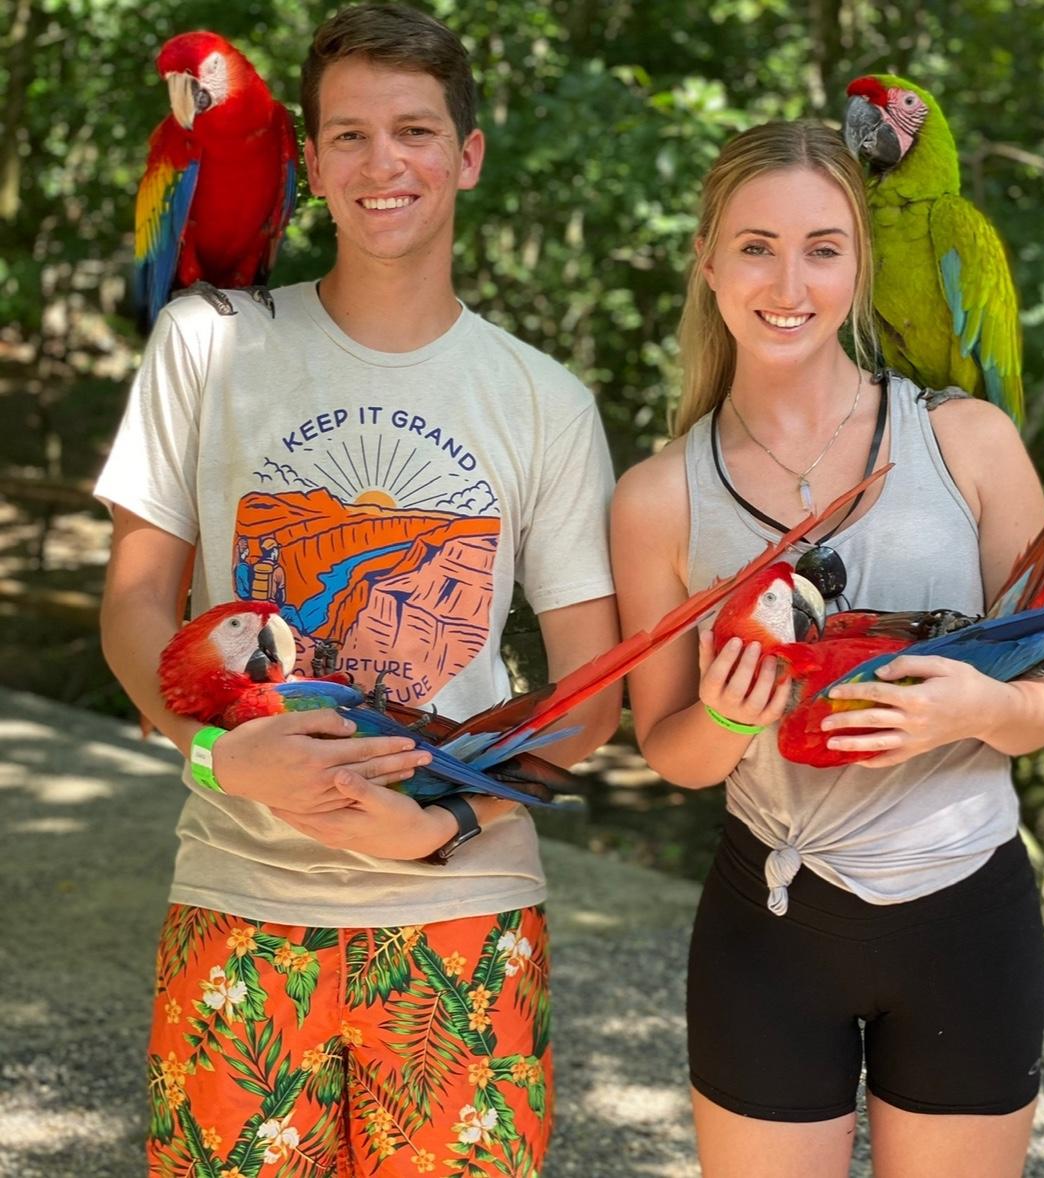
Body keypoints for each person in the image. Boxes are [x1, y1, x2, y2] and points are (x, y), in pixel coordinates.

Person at [96, 4, 619, 1174]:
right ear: (310, 162)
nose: (383, 163)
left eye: (414, 131)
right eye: (349, 135)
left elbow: (589, 696)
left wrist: (445, 821)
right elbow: (135, 604)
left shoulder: (545, 401)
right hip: (238, 903)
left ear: (466, 156)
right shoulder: (203, 343)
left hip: (464, 916)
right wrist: (214, 753)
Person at [610, 120, 1044, 1178]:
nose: (789, 283)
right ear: (708, 263)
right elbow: (669, 751)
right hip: (770, 925)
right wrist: (726, 718)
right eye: (756, 246)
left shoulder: (969, 441)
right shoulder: (655, 497)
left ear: (862, 265)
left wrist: (975, 708)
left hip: (968, 914)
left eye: (823, 248)